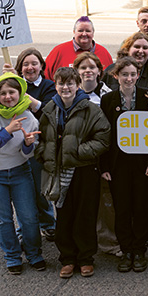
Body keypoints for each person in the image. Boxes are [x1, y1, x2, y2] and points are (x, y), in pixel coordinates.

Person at [36, 67, 110, 278]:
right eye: (61, 83)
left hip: (84, 170)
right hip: (59, 170)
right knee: (64, 214)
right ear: (56, 85)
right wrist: (44, 154)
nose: (65, 87)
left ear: (77, 85)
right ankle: (67, 258)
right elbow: (41, 138)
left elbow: (103, 137)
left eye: (70, 83)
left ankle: (86, 258)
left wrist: (78, 152)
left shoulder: (90, 109)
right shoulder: (50, 108)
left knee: (85, 215)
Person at [0, 73, 44, 274]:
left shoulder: (29, 117)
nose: (8, 97)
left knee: (29, 216)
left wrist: (28, 143)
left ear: (20, 93)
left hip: (19, 171)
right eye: (3, 93)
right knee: (3, 218)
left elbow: (28, 153)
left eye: (12, 92)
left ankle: (34, 253)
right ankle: (12, 256)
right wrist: (8, 130)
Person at [99, 58, 148, 273]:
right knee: (121, 208)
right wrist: (104, 166)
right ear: (116, 76)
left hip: (142, 164)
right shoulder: (108, 100)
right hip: (117, 164)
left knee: (142, 207)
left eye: (133, 74)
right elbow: (104, 135)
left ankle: (139, 250)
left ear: (138, 75)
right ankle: (126, 250)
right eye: (124, 74)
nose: (129, 78)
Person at [8, 48, 57, 242]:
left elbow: (48, 112)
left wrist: (22, 92)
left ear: (41, 66)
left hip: (39, 147)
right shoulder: (11, 86)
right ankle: (24, 230)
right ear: (20, 68)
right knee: (21, 192)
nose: (30, 67)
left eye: (34, 63)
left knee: (39, 189)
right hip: (17, 147)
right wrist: (10, 85)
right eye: (25, 64)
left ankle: (48, 223)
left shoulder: (48, 86)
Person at [44, 16, 114, 80]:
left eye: (88, 31)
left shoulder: (103, 52)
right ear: (74, 32)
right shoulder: (58, 51)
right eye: (80, 31)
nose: (84, 34)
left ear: (93, 33)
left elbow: (111, 80)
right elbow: (46, 76)